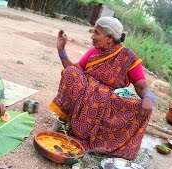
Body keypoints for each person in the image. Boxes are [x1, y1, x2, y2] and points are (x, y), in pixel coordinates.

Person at [49, 17, 155, 160]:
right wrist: (62, 51)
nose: (92, 37)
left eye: (96, 33)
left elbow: (142, 86)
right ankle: (61, 122)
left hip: (108, 104)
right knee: (70, 73)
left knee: (141, 109)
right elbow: (74, 72)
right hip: (86, 94)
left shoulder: (128, 57)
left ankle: (101, 142)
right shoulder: (93, 52)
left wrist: (148, 97)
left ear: (109, 38)